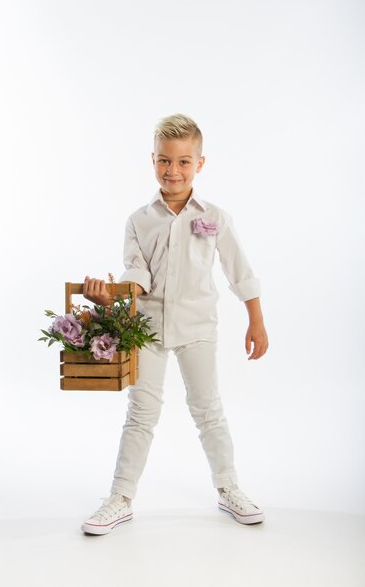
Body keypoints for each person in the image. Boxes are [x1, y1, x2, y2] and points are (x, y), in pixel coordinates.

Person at [81, 113, 269, 535]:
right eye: (165, 161)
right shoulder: (138, 220)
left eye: (184, 162)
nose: (173, 171)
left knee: (208, 410)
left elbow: (240, 270)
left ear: (199, 164)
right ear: (153, 161)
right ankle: (121, 497)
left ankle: (229, 488)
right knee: (141, 412)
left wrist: (256, 320)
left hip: (198, 327)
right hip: (146, 329)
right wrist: (109, 294)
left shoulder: (215, 217)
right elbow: (137, 276)